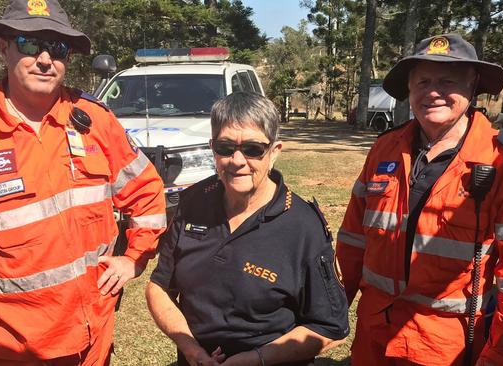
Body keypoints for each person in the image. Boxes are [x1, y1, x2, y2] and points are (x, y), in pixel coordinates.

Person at [0, 0, 166, 364]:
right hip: (12, 348)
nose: (44, 58)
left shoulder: (93, 119)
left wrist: (134, 258)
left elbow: (147, 193)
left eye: (57, 48)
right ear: (3, 47)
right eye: (29, 43)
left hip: (94, 337)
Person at [337, 33, 503, 365]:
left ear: (472, 84)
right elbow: (351, 244)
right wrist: (328, 317)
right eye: (422, 82)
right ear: (409, 88)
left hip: (448, 348)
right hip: (372, 339)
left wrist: (498, 357)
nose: (433, 92)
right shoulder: (383, 150)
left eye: (446, 81)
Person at [146, 91, 350, 366]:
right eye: (225, 148)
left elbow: (328, 327)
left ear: (274, 152)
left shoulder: (303, 225)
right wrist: (191, 349)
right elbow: (159, 286)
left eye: (253, 149)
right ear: (212, 148)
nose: (237, 160)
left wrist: (255, 359)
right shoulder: (193, 202)